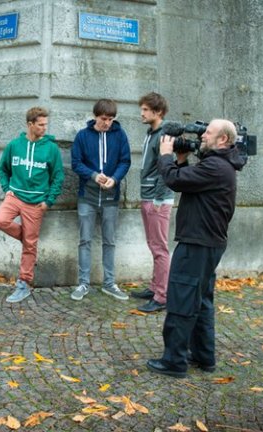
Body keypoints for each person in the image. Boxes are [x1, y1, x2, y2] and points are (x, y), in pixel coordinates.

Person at [146, 119, 246, 378]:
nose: (202, 136)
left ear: (222, 139)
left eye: (208, 133)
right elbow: (188, 181)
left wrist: (166, 156)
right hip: (207, 243)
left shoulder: (215, 166)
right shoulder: (220, 165)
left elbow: (174, 180)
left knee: (181, 300)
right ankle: (203, 356)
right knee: (201, 300)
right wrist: (181, 160)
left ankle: (174, 361)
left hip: (197, 243)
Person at [0, 107, 65, 303]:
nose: (44, 128)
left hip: (36, 203)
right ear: (30, 124)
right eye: (41, 125)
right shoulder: (15, 145)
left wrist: (48, 201)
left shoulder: (51, 148)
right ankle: (28, 239)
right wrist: (6, 187)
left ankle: (24, 283)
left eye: (46, 124)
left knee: (30, 245)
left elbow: (58, 176)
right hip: (15, 196)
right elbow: (2, 168)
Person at [69, 99, 131, 301]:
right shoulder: (83, 136)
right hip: (87, 195)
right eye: (104, 118)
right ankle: (83, 283)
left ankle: (109, 283)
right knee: (84, 240)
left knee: (109, 241)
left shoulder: (119, 135)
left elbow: (125, 161)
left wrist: (115, 179)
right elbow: (76, 163)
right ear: (95, 116)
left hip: (111, 196)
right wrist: (94, 175)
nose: (107, 123)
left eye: (111, 119)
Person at [132, 93, 174, 312]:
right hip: (148, 196)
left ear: (158, 112)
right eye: (142, 109)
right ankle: (155, 286)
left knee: (160, 248)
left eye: (146, 109)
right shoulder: (152, 133)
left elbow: (165, 170)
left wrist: (158, 198)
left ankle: (162, 296)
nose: (142, 113)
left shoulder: (164, 135)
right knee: (153, 245)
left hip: (157, 200)